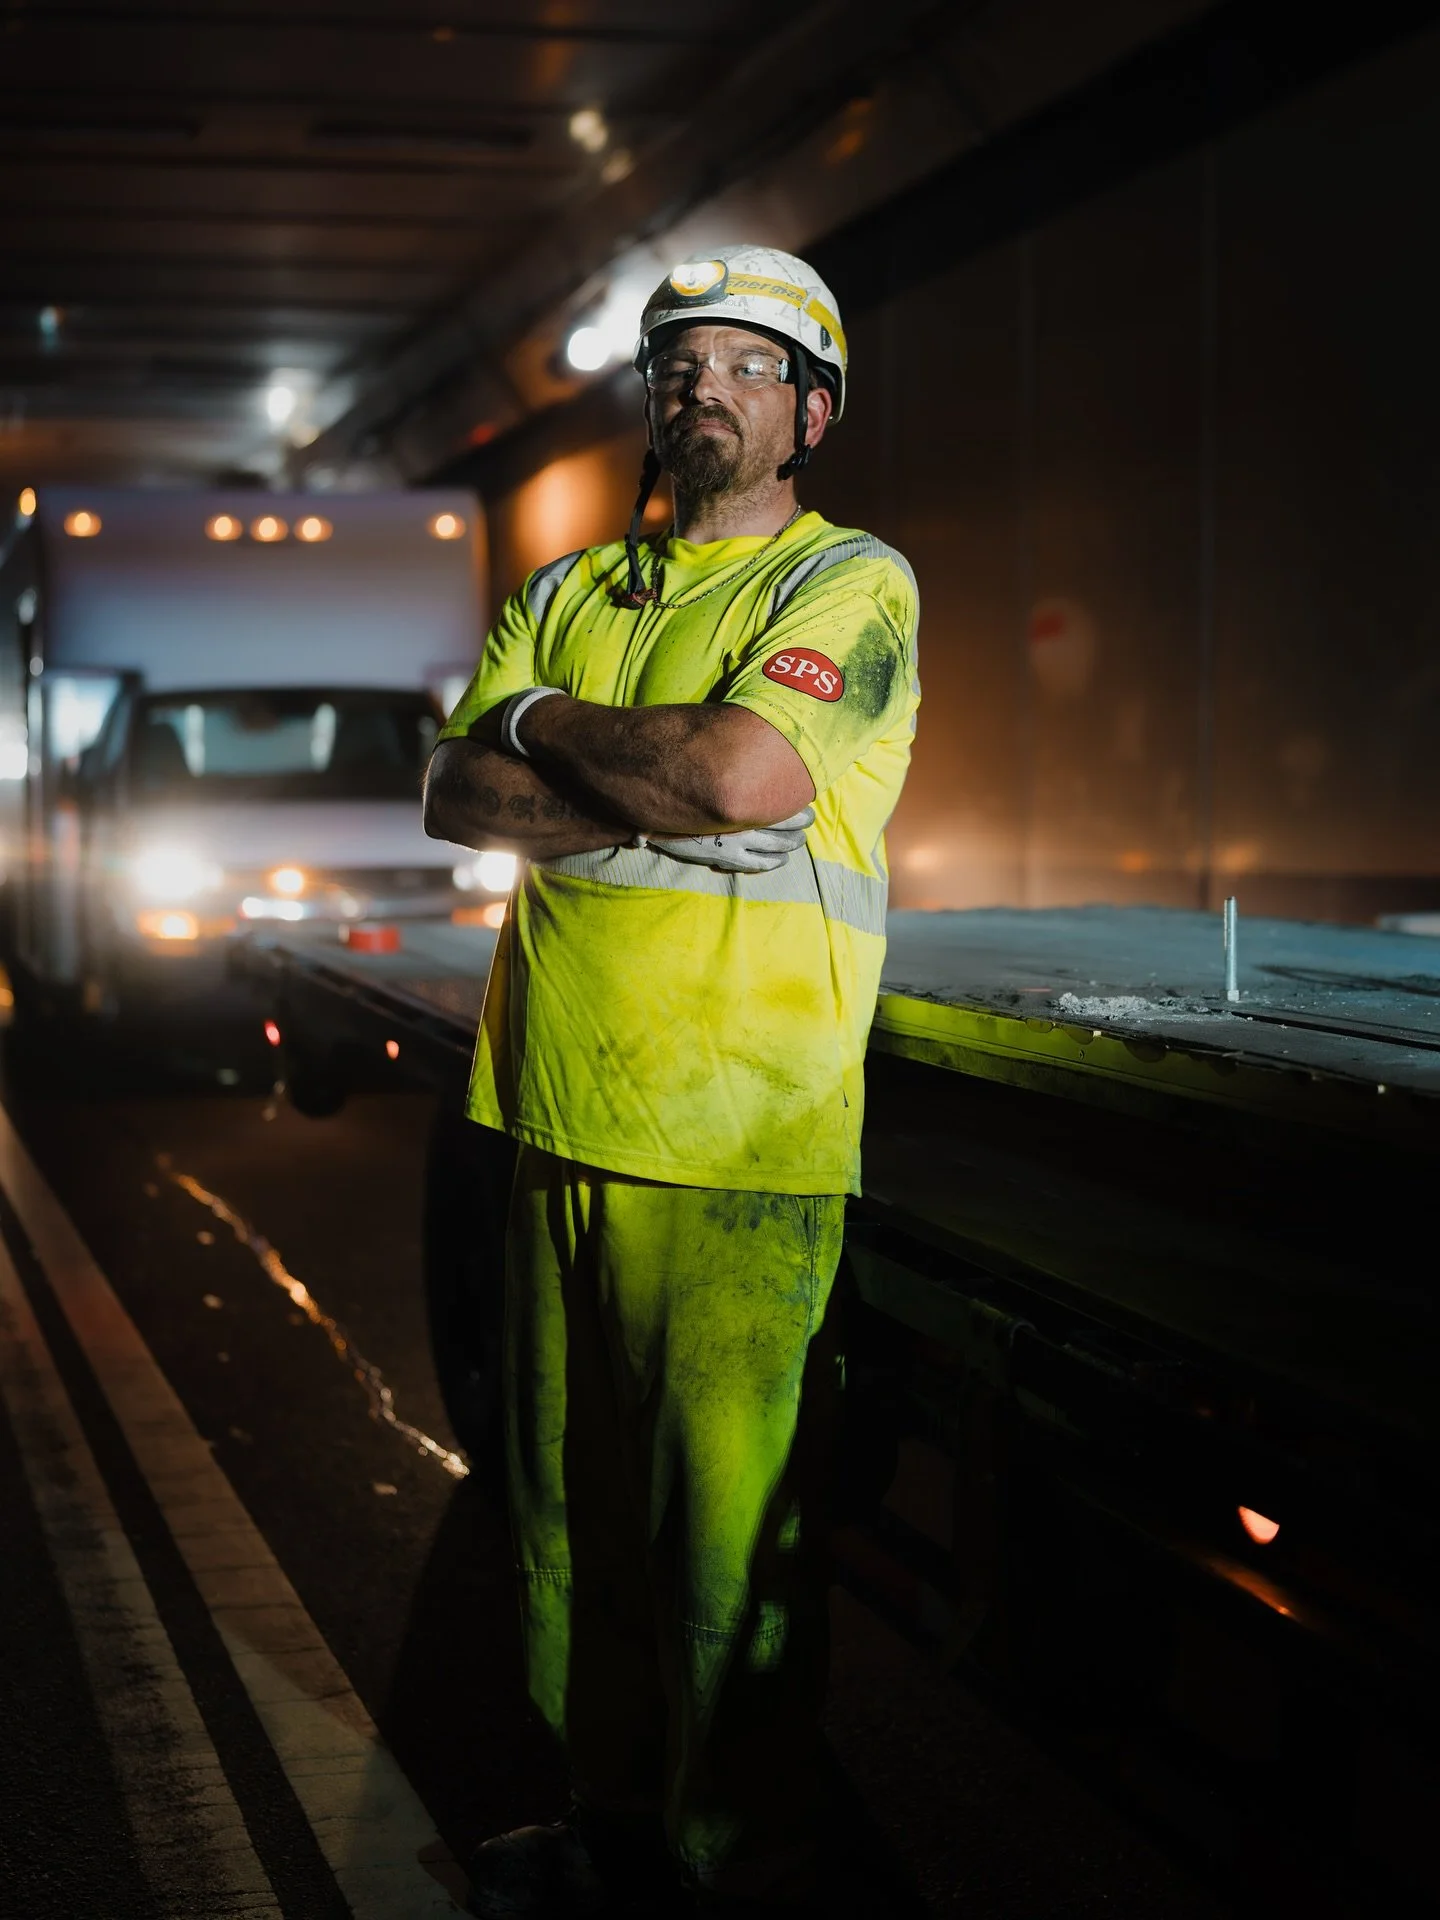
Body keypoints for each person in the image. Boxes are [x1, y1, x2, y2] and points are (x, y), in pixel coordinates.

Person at [424, 244, 920, 1918]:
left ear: (811, 412)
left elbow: (746, 769)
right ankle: (611, 1820)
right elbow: (453, 796)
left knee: (724, 1554)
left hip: (742, 1137)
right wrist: (621, 751)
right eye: (678, 362)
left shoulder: (849, 584)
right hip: (555, 1110)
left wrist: (558, 745)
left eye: (746, 364)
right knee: (570, 1522)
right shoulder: (569, 598)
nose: (701, 384)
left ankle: (744, 1864)